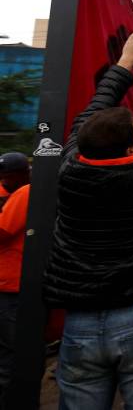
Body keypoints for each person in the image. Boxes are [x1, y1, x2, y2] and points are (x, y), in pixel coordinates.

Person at [43, 27, 133, 410]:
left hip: (81, 325)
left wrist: (126, 61)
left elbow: (92, 112)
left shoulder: (71, 169)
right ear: (128, 148)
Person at [0, 152, 30, 406]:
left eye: (10, 174)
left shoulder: (27, 192)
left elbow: (4, 230)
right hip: (7, 284)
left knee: (14, 351)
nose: (5, 178)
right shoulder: (7, 193)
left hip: (15, 285)